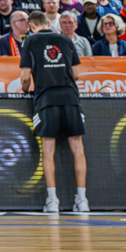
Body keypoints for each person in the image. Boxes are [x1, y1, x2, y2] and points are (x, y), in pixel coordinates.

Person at [20, 18, 87, 214]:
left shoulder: (30, 41)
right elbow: (76, 74)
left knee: (48, 151)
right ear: (48, 23)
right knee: (78, 149)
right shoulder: (66, 39)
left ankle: (52, 200)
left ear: (32, 26)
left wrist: (25, 89)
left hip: (46, 98)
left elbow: (25, 77)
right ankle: (82, 200)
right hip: (70, 97)